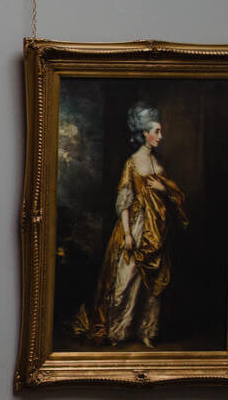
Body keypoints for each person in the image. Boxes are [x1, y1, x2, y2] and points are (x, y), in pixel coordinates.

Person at [75, 103, 187, 347]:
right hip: (135, 227)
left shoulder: (159, 165)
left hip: (157, 229)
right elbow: (124, 201)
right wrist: (127, 234)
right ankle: (118, 331)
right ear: (144, 133)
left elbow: (174, 195)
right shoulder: (132, 163)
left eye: (160, 131)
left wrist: (164, 188)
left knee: (152, 285)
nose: (160, 136)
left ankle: (146, 332)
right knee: (126, 282)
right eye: (156, 131)